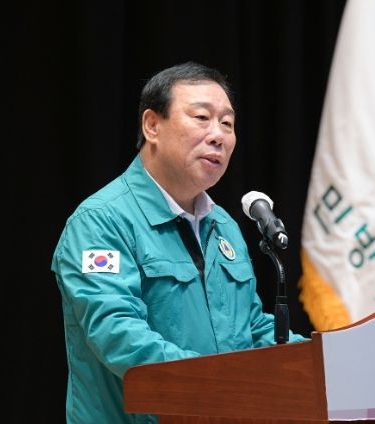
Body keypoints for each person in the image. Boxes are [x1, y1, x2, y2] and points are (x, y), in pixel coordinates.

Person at [51, 62, 305, 424]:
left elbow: (250, 331)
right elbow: (118, 334)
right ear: (152, 126)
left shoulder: (224, 226)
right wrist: (224, 387)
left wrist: (322, 362)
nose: (218, 135)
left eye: (227, 123)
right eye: (202, 117)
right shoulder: (101, 221)